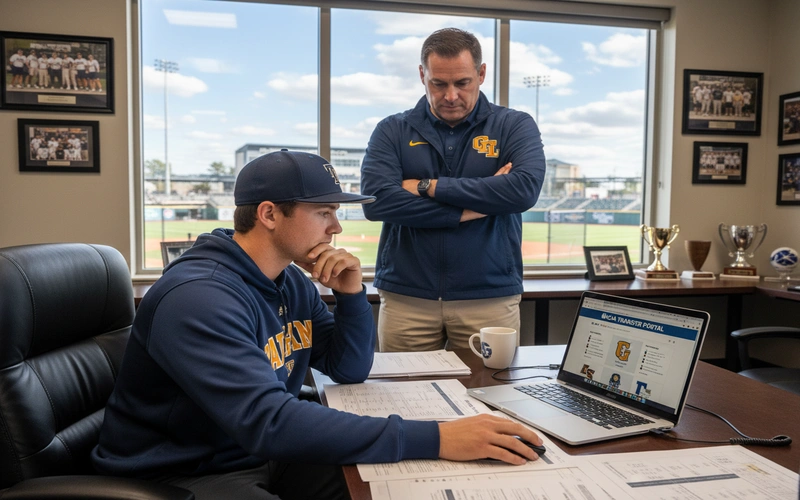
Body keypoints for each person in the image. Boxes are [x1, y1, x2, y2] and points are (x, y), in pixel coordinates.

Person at [91, 149, 544, 500]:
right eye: (324, 212)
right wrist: (438, 436)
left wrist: (350, 294)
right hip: (183, 472)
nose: (336, 229)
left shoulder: (288, 280)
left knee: (405, 487)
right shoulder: (199, 297)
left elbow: (348, 368)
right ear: (269, 214)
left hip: (258, 453)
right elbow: (268, 421)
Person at [360, 28, 545, 352]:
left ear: (481, 74)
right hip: (407, 297)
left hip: (489, 296)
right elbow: (378, 202)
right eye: (438, 84)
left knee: (490, 385)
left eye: (462, 83)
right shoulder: (392, 130)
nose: (450, 96)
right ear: (422, 75)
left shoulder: (514, 125)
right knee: (405, 386)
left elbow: (523, 190)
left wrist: (426, 186)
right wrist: (473, 209)